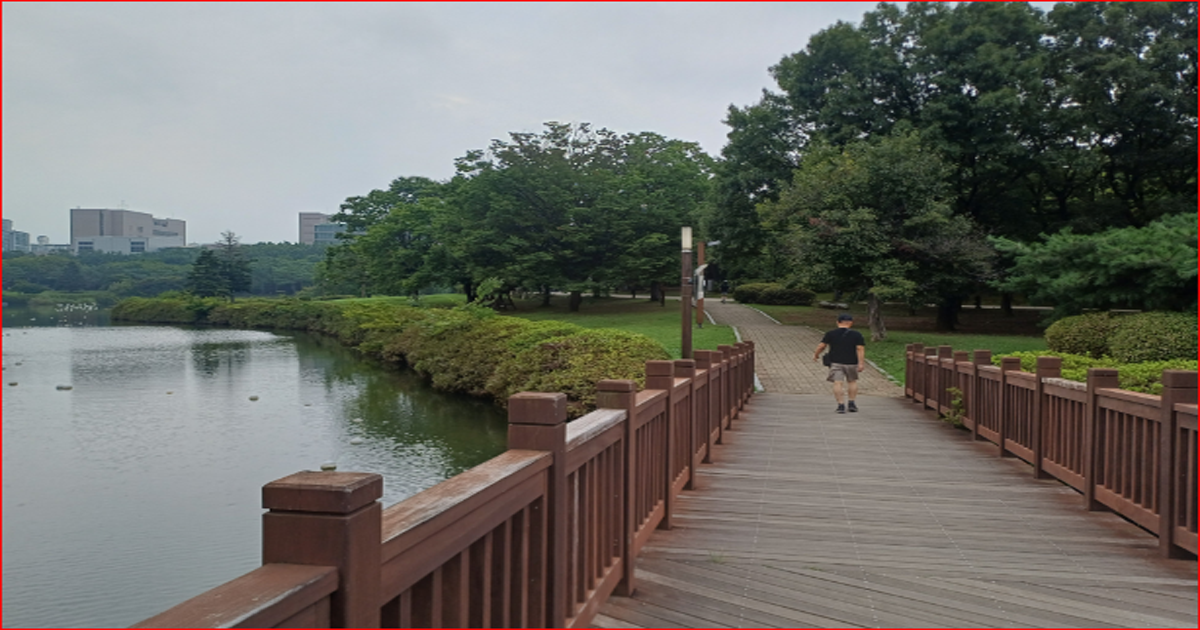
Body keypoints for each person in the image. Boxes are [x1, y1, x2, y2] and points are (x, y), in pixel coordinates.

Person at [812, 313, 866, 413]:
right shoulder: (857, 335)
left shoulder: (831, 333)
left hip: (836, 362)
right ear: (851, 323)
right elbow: (860, 349)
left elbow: (822, 346)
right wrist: (861, 363)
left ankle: (841, 405)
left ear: (838, 322)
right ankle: (852, 403)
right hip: (852, 362)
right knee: (852, 381)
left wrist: (816, 354)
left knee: (838, 383)